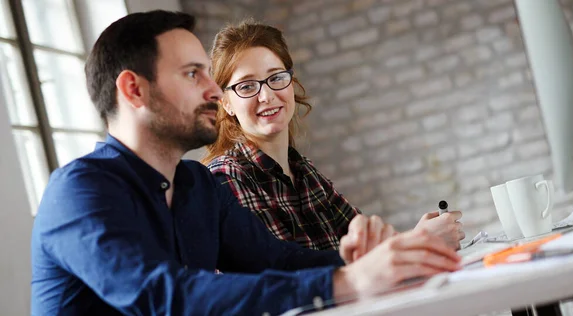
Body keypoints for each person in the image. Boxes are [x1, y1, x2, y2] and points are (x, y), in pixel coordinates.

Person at [30, 10, 461, 315]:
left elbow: (278, 261)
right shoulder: (78, 192)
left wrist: (365, 259)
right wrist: (348, 282)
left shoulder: (197, 184)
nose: (216, 93)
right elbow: (165, 299)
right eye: (192, 74)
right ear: (134, 90)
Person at [202, 20, 465, 252]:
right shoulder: (227, 179)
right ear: (225, 102)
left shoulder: (304, 172)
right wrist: (417, 243)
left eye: (276, 77)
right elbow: (294, 275)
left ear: (291, 83)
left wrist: (418, 238)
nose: (266, 95)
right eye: (247, 86)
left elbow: (370, 249)